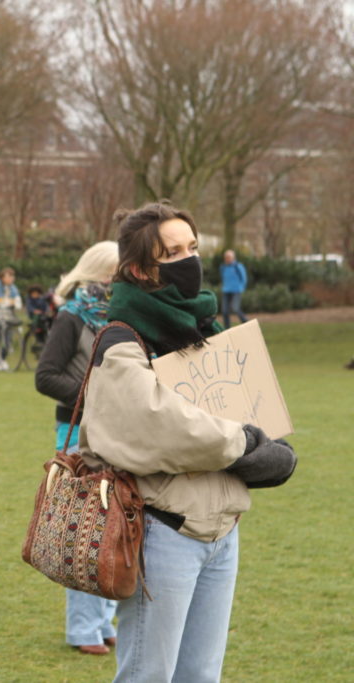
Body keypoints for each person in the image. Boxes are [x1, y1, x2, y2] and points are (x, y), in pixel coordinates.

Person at [78, 201, 297, 682]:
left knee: (201, 675)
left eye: (192, 247)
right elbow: (165, 425)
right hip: (162, 533)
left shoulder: (205, 331)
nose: (189, 260)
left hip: (222, 531)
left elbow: (248, 406)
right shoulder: (121, 339)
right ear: (139, 269)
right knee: (148, 675)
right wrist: (247, 444)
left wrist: (268, 445)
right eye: (172, 252)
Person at [34, 241, 120, 656]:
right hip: (77, 435)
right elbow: (46, 376)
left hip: (119, 434)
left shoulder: (122, 319)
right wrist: (93, 398)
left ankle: (103, 621)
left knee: (115, 527)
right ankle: (83, 628)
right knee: (83, 533)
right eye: (116, 273)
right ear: (99, 274)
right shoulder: (71, 317)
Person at [219, 249, 248, 328]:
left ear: (233, 258)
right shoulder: (223, 267)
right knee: (225, 311)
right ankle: (227, 328)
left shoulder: (238, 266)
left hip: (236, 290)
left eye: (229, 257)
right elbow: (223, 277)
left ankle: (245, 322)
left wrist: (241, 288)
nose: (227, 259)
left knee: (235, 308)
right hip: (226, 291)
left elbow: (244, 278)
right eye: (226, 257)